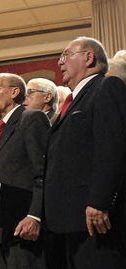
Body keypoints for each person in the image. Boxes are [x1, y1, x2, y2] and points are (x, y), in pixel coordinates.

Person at [43, 36, 126, 269]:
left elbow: (112, 148)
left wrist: (99, 201)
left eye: (66, 56)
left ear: (89, 58)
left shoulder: (107, 86)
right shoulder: (74, 100)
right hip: (69, 219)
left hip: (95, 219)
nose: (60, 63)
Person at [0, 73, 49, 269]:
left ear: (14, 92)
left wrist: (35, 215)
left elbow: (42, 172)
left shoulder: (31, 118)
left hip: (24, 229)